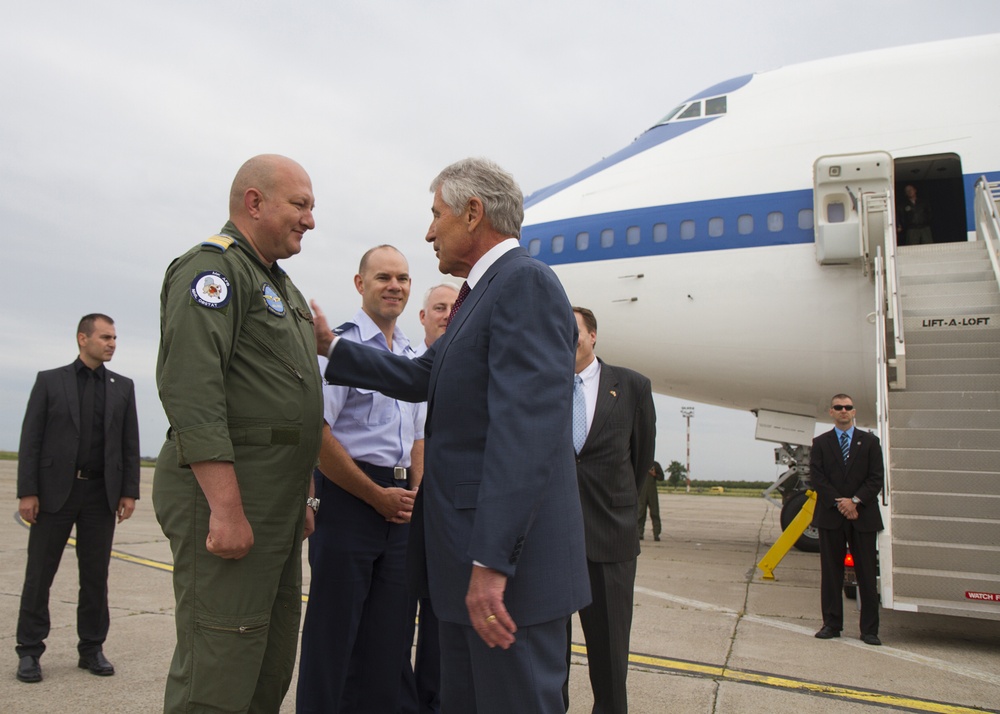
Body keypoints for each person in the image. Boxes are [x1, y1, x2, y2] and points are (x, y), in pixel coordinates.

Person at [312, 157, 591, 714]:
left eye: (436, 214)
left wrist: (491, 562)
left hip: (507, 573)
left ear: (472, 211)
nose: (429, 231)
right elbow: (420, 376)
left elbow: (528, 434)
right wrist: (333, 348)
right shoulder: (479, 295)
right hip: (466, 563)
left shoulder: (525, 283)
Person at [152, 154, 324, 712]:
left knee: (267, 663)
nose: (310, 220)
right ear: (254, 202)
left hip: (272, 507)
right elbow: (192, 390)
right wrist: (226, 510)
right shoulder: (214, 271)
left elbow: (283, 403)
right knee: (218, 670)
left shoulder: (280, 286)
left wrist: (298, 498)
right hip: (228, 501)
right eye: (299, 205)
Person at [297, 245, 425, 713]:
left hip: (400, 506)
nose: (395, 286)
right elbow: (317, 434)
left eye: (404, 279)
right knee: (334, 638)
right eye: (383, 277)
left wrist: (414, 493)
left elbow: (417, 438)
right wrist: (374, 496)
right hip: (350, 499)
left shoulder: (412, 355)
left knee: (390, 641)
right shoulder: (339, 348)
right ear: (360, 284)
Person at [14, 314, 140, 684]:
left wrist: (128, 491)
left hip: (100, 495)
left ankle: (91, 648)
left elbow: (129, 445)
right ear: (82, 338)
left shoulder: (123, 387)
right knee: (39, 575)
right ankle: (29, 651)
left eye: (114, 337)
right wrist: (28, 491)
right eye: (104, 337)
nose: (112, 343)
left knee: (95, 576)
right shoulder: (50, 381)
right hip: (54, 493)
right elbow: (31, 439)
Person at [566, 306, 655, 714]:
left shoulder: (632, 386)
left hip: (610, 536)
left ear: (593, 335)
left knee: (610, 653)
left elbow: (641, 463)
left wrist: (620, 509)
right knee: (550, 656)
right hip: (552, 538)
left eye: (574, 330)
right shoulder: (540, 383)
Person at [400, 282, 458, 714]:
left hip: (449, 515)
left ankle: (435, 701)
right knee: (397, 620)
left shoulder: (472, 363)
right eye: (438, 307)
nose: (446, 314)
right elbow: (415, 437)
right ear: (422, 316)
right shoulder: (409, 363)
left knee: (441, 623)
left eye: (454, 308)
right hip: (406, 505)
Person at [810, 394, 885, 646]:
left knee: (866, 574)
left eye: (848, 407)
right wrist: (841, 503)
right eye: (838, 407)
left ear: (854, 412)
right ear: (831, 412)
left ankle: (870, 630)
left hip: (862, 515)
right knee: (831, 574)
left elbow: (876, 478)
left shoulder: (871, 442)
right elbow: (818, 479)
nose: (844, 411)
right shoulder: (820, 443)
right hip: (832, 515)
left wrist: (854, 501)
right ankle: (831, 624)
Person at [637, 461, 664, 541]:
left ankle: (656, 534)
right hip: (642, 492)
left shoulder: (655, 465)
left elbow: (662, 477)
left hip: (652, 492)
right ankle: (639, 533)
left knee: (655, 513)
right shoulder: (640, 464)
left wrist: (655, 474)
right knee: (640, 513)